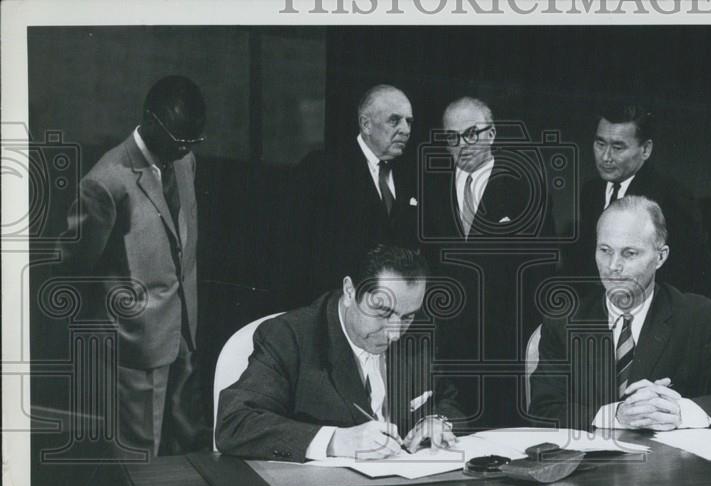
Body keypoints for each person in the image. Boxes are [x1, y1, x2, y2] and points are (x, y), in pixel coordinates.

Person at [530, 195, 711, 430]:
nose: (613, 266)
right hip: (592, 471)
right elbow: (543, 409)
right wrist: (615, 415)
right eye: (605, 250)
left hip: (674, 471)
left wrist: (681, 412)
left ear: (660, 257)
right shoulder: (565, 321)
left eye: (629, 253)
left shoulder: (698, 317)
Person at [58, 75, 209, 457]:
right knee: (139, 461)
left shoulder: (184, 160)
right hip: (135, 347)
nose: (184, 150)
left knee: (185, 453)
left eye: (192, 142)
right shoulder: (106, 181)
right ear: (150, 121)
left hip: (184, 337)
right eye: (178, 141)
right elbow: (72, 264)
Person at [216, 245, 463, 462]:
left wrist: (437, 421)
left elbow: (447, 399)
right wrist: (335, 441)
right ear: (349, 291)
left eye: (407, 316)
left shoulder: (418, 334)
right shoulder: (290, 337)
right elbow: (235, 423)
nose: (395, 333)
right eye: (382, 312)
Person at [421, 96, 557, 429]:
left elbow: (543, 269)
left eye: (472, 133)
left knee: (504, 435)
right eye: (452, 137)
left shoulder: (525, 186)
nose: (462, 145)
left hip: (506, 345)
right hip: (448, 349)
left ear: (492, 134)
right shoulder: (429, 188)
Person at [278, 84, 419, 308]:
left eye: (409, 121)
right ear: (366, 124)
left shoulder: (410, 175)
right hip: (335, 309)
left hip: (392, 312)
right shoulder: (322, 169)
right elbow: (294, 250)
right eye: (395, 120)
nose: (405, 129)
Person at [563, 103, 711, 297]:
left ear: (646, 150)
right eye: (600, 144)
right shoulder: (591, 192)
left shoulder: (672, 198)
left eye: (618, 147)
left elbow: (693, 273)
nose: (606, 157)